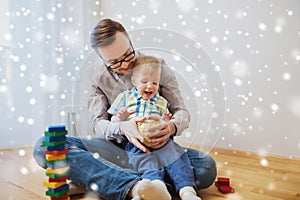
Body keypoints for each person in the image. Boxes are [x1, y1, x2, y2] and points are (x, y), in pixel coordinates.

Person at [33, 18, 217, 200]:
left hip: (156, 147)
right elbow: (99, 125)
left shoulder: (156, 66)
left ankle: (100, 181)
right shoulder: (96, 77)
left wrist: (170, 127)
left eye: (128, 55)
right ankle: (136, 188)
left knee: (205, 167)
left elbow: (181, 112)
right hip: (116, 150)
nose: (125, 65)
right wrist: (122, 128)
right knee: (46, 145)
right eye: (114, 62)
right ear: (102, 59)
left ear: (130, 41)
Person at [108, 55, 200, 200]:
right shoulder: (124, 98)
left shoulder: (161, 101)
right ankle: (152, 189)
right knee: (145, 161)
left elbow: (166, 121)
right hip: (136, 142)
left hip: (161, 140)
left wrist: (166, 121)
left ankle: (187, 191)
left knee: (176, 157)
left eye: (155, 82)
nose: (150, 86)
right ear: (134, 81)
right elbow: (113, 122)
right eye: (144, 82)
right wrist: (121, 117)